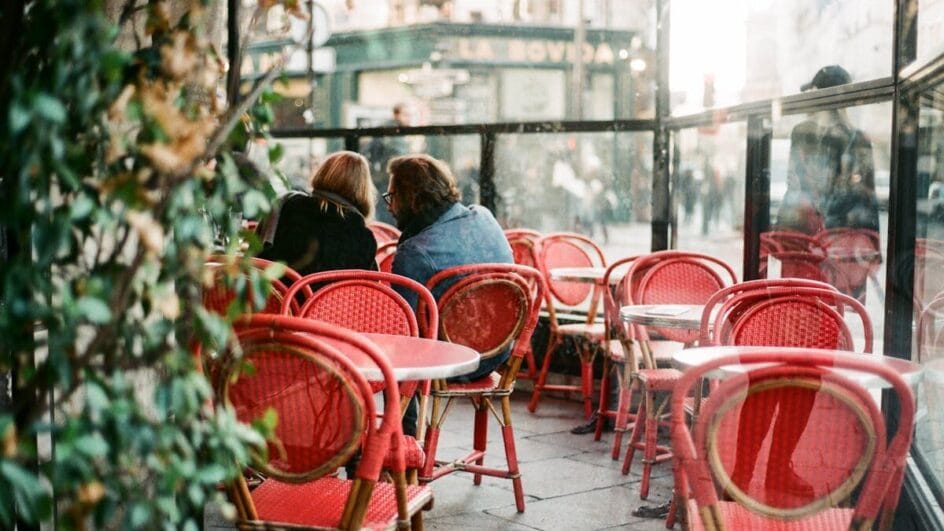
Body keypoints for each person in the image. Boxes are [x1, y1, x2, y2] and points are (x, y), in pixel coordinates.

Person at [385, 154, 514, 377]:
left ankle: (402, 413)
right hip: (499, 351)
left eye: (392, 197)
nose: (389, 208)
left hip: (451, 361)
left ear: (410, 198)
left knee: (391, 347)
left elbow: (403, 328)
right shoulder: (485, 217)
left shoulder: (415, 252)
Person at [778, 65, 879, 234]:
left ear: (817, 93)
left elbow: (795, 182)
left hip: (816, 229)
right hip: (831, 230)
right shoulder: (856, 138)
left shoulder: (802, 132)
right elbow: (866, 197)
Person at [257, 151, 377, 276]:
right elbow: (365, 288)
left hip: (280, 294)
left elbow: (258, 257)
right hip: (330, 296)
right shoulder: (363, 237)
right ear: (364, 188)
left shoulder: (288, 205)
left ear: (322, 173)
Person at [364, 103, 410, 225]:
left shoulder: (399, 132)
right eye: (406, 114)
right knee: (388, 211)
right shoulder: (391, 132)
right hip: (388, 178)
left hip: (388, 178)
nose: (409, 118)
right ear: (396, 114)